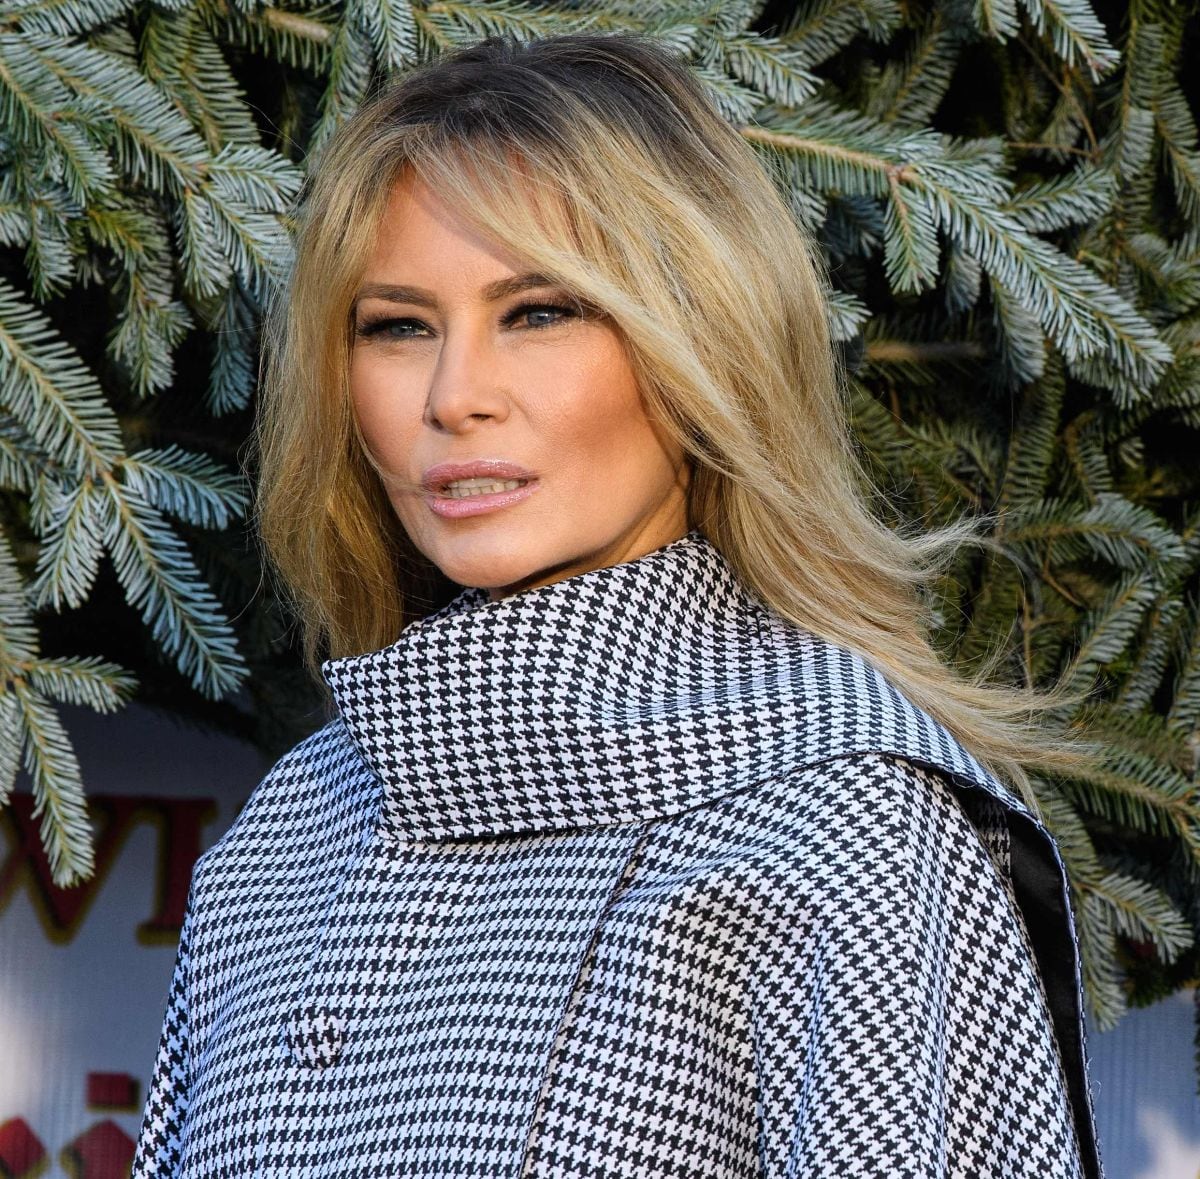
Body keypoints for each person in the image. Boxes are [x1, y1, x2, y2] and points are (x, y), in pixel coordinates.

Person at [133, 31, 1106, 1179]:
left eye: (540, 311)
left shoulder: (847, 831)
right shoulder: (292, 835)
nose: (455, 398)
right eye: (397, 325)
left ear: (702, 340)